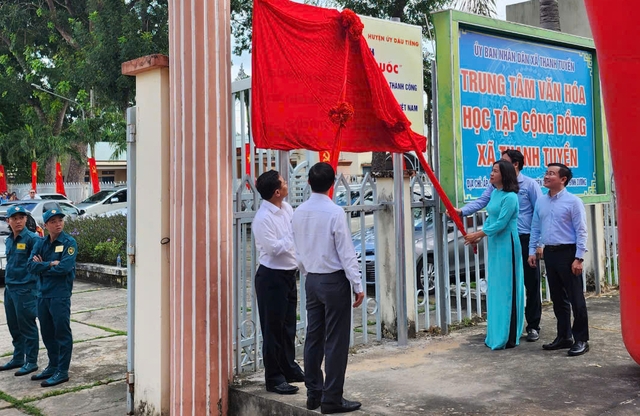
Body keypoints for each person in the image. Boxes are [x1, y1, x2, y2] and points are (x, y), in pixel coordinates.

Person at [292, 162, 364, 414]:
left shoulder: (298, 212)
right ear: (332, 184)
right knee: (335, 340)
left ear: (309, 183)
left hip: (311, 278)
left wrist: (307, 269)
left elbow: (296, 249)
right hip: (333, 280)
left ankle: (314, 393)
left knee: (314, 336)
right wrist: (357, 283)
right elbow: (346, 253)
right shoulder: (334, 212)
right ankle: (332, 397)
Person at [454, 149, 543, 342]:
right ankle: (503, 325)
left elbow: (539, 214)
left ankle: (533, 325)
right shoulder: (495, 189)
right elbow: (483, 202)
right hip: (500, 239)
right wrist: (461, 211)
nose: (496, 168)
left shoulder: (529, 185)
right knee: (503, 283)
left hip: (524, 238)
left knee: (530, 283)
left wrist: (538, 244)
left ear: (515, 165)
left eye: (502, 163)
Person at [252, 170, 305, 395]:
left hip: (287, 274)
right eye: (283, 183)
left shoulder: (287, 209)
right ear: (276, 192)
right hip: (271, 277)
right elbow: (273, 249)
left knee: (287, 326)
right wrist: (293, 235)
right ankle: (273, 378)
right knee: (272, 330)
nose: (286, 185)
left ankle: (289, 367)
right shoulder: (263, 219)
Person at [528, 163, 589, 357]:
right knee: (557, 298)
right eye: (546, 173)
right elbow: (535, 228)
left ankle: (581, 339)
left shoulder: (573, 202)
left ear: (563, 179)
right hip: (550, 254)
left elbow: (581, 231)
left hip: (569, 253)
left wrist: (579, 257)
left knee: (576, 298)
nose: (546, 176)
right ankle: (564, 336)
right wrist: (532, 251)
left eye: (551, 174)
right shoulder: (541, 202)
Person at [464, 160, 525, 350]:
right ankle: (495, 332)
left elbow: (501, 223)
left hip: (508, 243)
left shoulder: (511, 197)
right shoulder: (496, 193)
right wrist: (482, 237)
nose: (491, 174)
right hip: (496, 243)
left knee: (507, 288)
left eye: (495, 171)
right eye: (491, 170)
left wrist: (478, 234)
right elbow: (491, 219)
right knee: (497, 287)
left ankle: (508, 335)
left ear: (505, 174)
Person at [27, 208, 78, 387]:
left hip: (60, 295)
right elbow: (30, 266)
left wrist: (41, 266)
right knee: (47, 332)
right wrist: (49, 264)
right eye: (54, 221)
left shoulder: (69, 243)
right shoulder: (41, 243)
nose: (58, 224)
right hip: (43, 294)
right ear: (46, 225)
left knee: (61, 333)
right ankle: (53, 365)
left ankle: (62, 371)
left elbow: (64, 268)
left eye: (60, 220)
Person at [0, 206, 40, 376]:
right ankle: (18, 357)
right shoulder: (9, 240)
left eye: (21, 218)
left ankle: (31, 361)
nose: (18, 221)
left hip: (26, 289)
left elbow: (38, 263)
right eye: (14, 218)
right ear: (8, 221)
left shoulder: (32, 239)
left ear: (25, 219)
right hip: (10, 288)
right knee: (13, 325)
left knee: (27, 325)